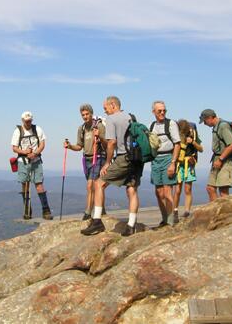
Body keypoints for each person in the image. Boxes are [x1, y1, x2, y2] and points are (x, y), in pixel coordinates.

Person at [80, 96, 143, 237]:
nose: (105, 111)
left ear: (113, 105)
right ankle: (131, 226)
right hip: (137, 159)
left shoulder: (112, 119)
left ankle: (96, 222)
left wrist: (108, 163)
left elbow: (111, 143)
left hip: (123, 157)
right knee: (131, 190)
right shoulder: (131, 117)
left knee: (99, 184)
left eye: (105, 108)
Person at [64, 104, 107, 220]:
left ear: (91, 114)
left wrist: (99, 137)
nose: (85, 116)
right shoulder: (82, 128)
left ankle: (88, 213)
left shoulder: (99, 126)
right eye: (83, 115)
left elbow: (107, 144)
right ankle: (102, 210)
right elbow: (79, 146)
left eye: (87, 114)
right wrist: (69, 146)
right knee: (96, 186)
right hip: (86, 159)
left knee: (90, 185)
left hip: (98, 157)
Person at [11, 111, 53, 220]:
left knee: (39, 184)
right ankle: (27, 210)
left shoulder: (37, 129)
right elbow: (14, 147)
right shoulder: (18, 131)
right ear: (22, 121)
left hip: (36, 160)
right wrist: (25, 152)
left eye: (30, 121)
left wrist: (35, 153)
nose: (28, 123)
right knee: (25, 185)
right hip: (23, 161)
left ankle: (46, 210)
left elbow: (42, 144)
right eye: (26, 121)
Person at [149, 101, 181, 227]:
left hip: (168, 157)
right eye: (159, 111)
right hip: (156, 159)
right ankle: (164, 218)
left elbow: (177, 144)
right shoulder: (152, 126)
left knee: (168, 191)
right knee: (159, 192)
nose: (162, 113)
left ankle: (171, 221)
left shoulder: (171, 124)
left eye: (164, 110)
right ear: (153, 112)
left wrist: (173, 163)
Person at [199, 109, 232, 201]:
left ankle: (225, 214)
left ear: (210, 118)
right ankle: (214, 212)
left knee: (223, 191)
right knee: (210, 188)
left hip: (225, 160)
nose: (204, 123)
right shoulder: (217, 127)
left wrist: (220, 159)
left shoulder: (223, 126)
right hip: (217, 159)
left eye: (204, 121)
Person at [174, 119, 203, 218]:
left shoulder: (192, 135)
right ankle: (175, 210)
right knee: (177, 190)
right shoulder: (176, 135)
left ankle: (187, 211)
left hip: (188, 164)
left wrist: (193, 142)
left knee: (188, 189)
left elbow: (201, 149)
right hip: (178, 164)